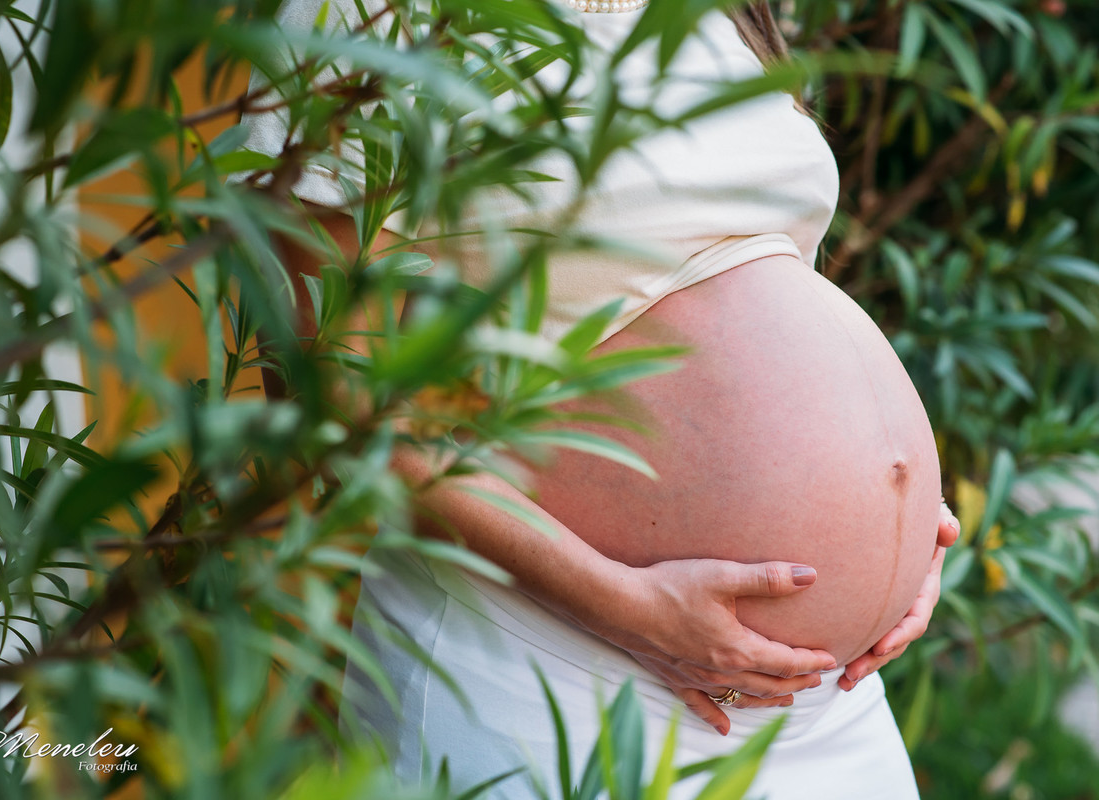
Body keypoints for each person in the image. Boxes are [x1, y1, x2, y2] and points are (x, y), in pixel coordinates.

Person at [243, 0, 963, 796]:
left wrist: (901, 527)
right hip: (556, 664)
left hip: (831, 705)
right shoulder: (374, 15)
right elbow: (329, 401)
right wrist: (624, 606)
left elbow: (765, 292)